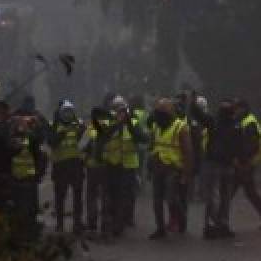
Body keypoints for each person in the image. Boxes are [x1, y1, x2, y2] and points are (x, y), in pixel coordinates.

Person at [228, 99, 261, 230]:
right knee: (250, 192)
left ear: (243, 109)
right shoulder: (246, 121)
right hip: (248, 163)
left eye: (237, 109)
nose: (235, 111)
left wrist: (243, 162)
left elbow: (251, 146)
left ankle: (219, 219)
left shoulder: (249, 123)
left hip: (246, 164)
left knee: (230, 191)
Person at [147, 98, 193, 239]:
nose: (159, 114)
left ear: (171, 111)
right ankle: (160, 229)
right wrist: (150, 166)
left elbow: (188, 152)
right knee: (156, 200)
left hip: (173, 168)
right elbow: (153, 146)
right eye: (158, 111)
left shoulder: (180, 127)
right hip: (158, 166)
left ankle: (181, 218)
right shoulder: (156, 126)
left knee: (171, 198)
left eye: (163, 111)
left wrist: (186, 174)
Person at [102, 95, 147, 237]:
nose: (120, 113)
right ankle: (110, 221)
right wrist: (116, 124)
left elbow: (143, 138)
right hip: (111, 164)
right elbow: (101, 138)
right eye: (117, 110)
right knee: (111, 195)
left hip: (128, 166)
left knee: (124, 196)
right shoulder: (107, 122)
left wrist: (129, 125)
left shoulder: (132, 122)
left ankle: (119, 224)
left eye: (122, 111)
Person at [8, 110, 47, 243]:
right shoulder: (7, 140)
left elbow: (41, 157)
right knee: (16, 209)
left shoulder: (32, 139)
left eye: (23, 123)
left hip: (29, 180)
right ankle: (18, 236)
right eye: (18, 123)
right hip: (14, 181)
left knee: (30, 209)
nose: (21, 126)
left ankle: (30, 235)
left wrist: (38, 175)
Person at [48, 100, 86, 234]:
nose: (68, 115)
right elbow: (51, 142)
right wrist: (62, 133)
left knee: (77, 197)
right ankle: (59, 224)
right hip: (60, 166)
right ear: (60, 113)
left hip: (76, 165)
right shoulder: (54, 126)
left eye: (70, 112)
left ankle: (77, 224)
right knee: (60, 197)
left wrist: (82, 131)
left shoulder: (78, 125)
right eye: (65, 112)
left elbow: (85, 143)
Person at [81, 106, 112, 236]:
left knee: (92, 196)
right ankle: (105, 227)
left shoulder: (91, 129)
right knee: (106, 196)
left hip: (93, 167)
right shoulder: (111, 128)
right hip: (107, 167)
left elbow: (81, 146)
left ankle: (92, 226)